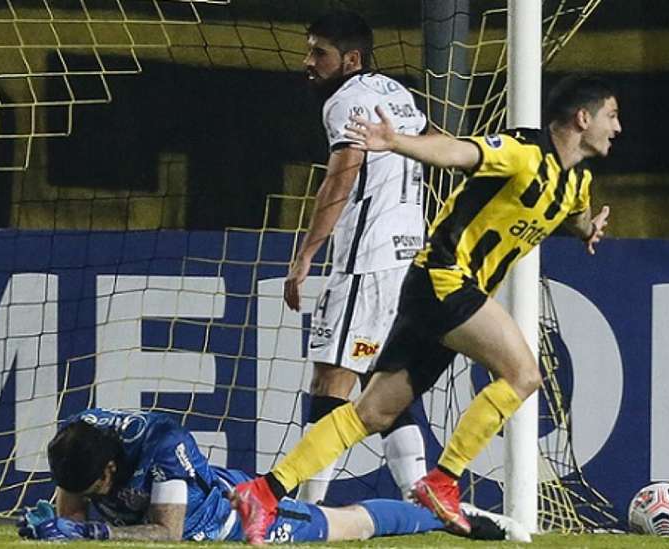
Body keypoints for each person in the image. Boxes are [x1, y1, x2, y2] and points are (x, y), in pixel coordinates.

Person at [231, 74, 621, 543]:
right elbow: (459, 152)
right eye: (611, 116)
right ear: (583, 117)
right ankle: (443, 481)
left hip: (435, 293)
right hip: (442, 278)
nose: (617, 128)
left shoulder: (576, 181)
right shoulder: (523, 153)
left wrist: (587, 230)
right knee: (523, 375)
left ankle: (265, 491)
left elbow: (572, 213)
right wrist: (396, 142)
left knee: (369, 414)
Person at [284, 11, 428, 503]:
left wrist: (305, 255)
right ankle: (420, 498)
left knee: (331, 377)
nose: (308, 63)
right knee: (380, 381)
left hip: (366, 261)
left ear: (351, 59)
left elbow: (342, 173)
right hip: (407, 256)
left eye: (318, 53)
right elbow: (434, 145)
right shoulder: (397, 93)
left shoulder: (347, 100)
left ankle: (307, 507)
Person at [17, 408, 529, 544]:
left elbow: (167, 534)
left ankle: (438, 517)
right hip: (191, 493)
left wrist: (90, 531)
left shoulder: (162, 447)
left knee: (345, 525)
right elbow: (73, 507)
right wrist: (61, 528)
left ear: (112, 468)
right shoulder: (78, 440)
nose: (81, 499)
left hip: (223, 519)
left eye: (92, 489)